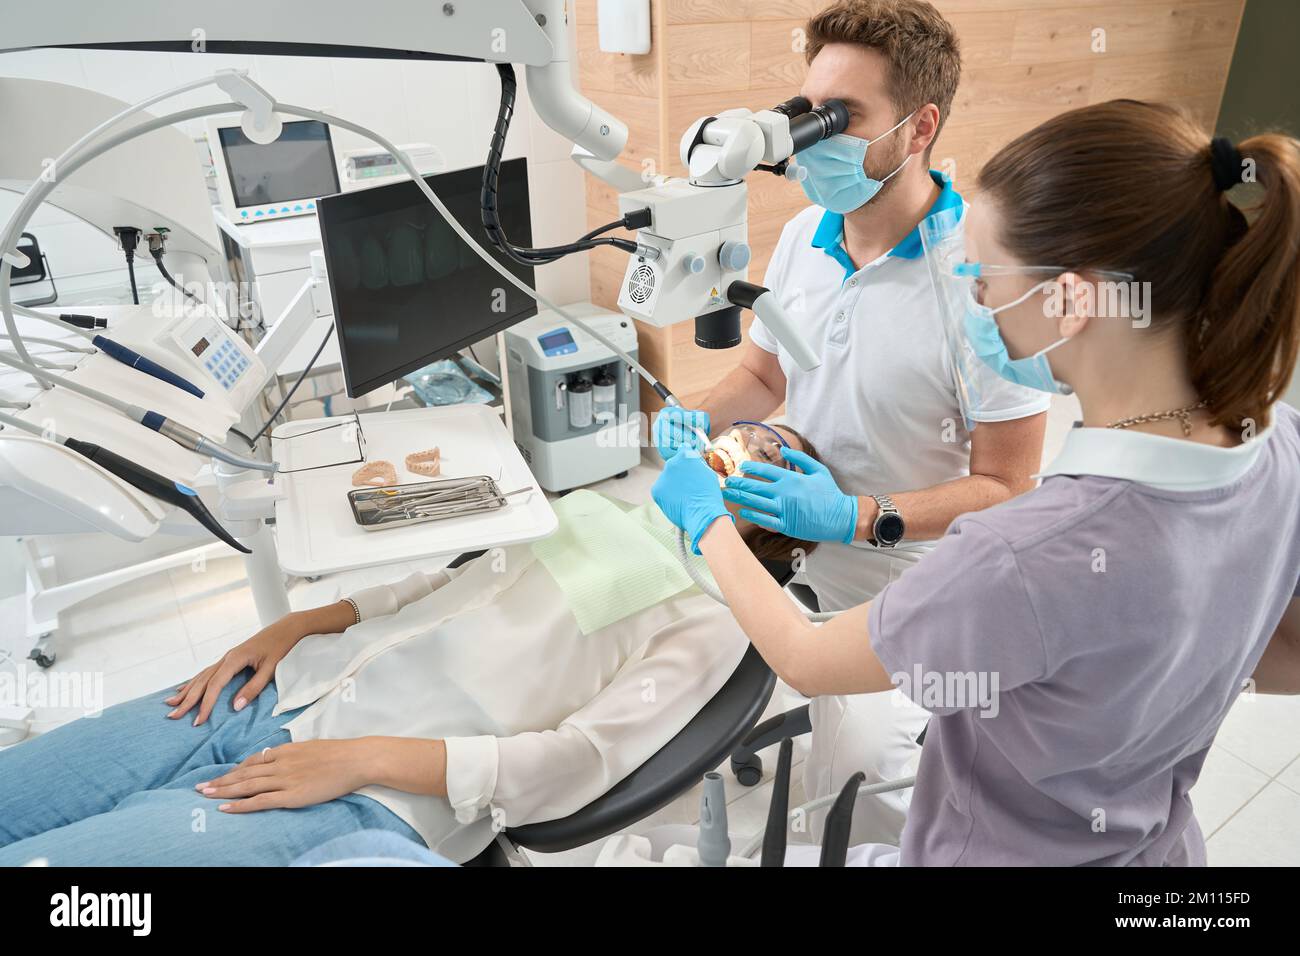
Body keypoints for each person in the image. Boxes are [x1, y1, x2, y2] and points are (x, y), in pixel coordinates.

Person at [652, 100, 1300, 865]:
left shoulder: (1023, 555)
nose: (977, 303)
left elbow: (805, 657)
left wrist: (707, 520)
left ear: (1072, 298)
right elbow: (1284, 655)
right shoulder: (1280, 447)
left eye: (986, 281)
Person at [0, 427, 820, 867]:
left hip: (364, 795)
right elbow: (442, 583)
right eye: (749, 433)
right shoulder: (608, 503)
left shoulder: (718, 613)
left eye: (776, 456)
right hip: (280, 692)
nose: (752, 445)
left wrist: (361, 761)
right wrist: (300, 624)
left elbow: (574, 763)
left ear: (783, 523)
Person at [658, 0, 1051, 847]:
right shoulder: (805, 233)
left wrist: (855, 518)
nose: (810, 140)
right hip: (788, 523)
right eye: (806, 114)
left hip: (909, 576)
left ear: (920, 127)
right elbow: (763, 374)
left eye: (842, 119)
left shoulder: (983, 279)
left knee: (866, 784)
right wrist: (686, 421)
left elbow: (1012, 488)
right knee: (649, 628)